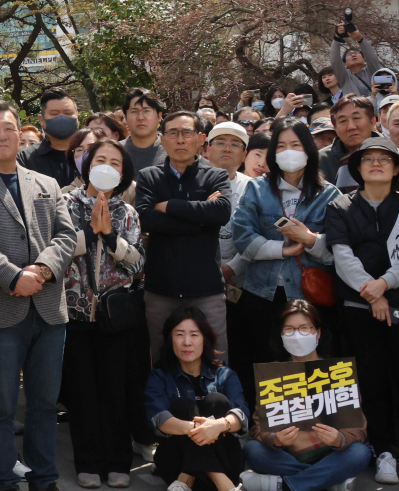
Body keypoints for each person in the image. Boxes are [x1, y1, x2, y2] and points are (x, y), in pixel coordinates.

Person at [0, 100, 78, 491]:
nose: (2, 135)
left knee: (43, 403)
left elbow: (66, 235)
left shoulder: (46, 183)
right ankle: (2, 479)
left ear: (20, 131)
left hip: (49, 309)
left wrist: (41, 270)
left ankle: (45, 478)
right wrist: (12, 277)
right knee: (1, 405)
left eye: (8, 127)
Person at [232, 118, 342, 406]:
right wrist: (282, 250)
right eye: (281, 145)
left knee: (310, 365)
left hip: (310, 296)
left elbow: (338, 251)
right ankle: (269, 431)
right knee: (266, 362)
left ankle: (315, 430)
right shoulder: (256, 189)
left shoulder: (329, 194)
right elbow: (243, 238)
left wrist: (309, 240)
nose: (288, 151)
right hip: (262, 294)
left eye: (295, 144)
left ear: (308, 149)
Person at [61, 138, 145, 489]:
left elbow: (138, 263)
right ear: (87, 165)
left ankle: (118, 462)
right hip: (75, 313)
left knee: (116, 390)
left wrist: (111, 238)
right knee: (82, 392)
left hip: (116, 315)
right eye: (100, 160)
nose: (107, 166)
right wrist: (88, 232)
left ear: (123, 172)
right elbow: (57, 251)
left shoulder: (127, 213)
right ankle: (89, 462)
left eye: (115, 162)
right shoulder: (64, 202)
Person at [326, 136, 399, 485]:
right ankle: (381, 448)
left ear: (396, 168)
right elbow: (342, 256)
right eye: (367, 158)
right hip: (358, 306)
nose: (375, 163)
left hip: (396, 303)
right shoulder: (341, 206)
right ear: (358, 168)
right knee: (368, 378)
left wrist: (384, 284)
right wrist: (372, 294)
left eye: (384, 159)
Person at [241, 301, 373, 491]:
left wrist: (339, 439)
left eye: (305, 328)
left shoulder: (338, 372)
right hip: (288, 456)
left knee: (360, 453)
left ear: (317, 333)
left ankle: (286, 486)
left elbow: (359, 429)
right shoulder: (273, 375)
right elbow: (258, 429)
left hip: (333, 454)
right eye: (289, 330)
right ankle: (327, 481)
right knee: (253, 450)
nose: (297, 335)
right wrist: (275, 439)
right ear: (281, 335)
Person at [136, 110, 232, 363]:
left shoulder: (216, 175)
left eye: (187, 133)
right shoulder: (149, 177)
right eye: (173, 133)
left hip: (206, 288)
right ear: (162, 139)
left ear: (201, 139)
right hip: (161, 288)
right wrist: (201, 218)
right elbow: (145, 219)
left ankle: (218, 403)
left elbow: (221, 213)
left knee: (216, 356)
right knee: (161, 357)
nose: (180, 140)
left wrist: (169, 206)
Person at [144, 308, 248, 491]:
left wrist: (219, 426)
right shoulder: (160, 376)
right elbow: (157, 418)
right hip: (176, 463)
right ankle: (225, 486)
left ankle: (185, 482)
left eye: (194, 335)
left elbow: (242, 415)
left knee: (216, 401)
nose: (186, 342)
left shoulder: (224, 375)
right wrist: (200, 429)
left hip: (225, 460)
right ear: (170, 339)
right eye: (179, 335)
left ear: (205, 339)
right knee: (183, 406)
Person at [205, 123, 258, 404]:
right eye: (220, 142)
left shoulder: (254, 188)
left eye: (235, 144)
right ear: (207, 148)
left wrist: (231, 268)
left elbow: (257, 236)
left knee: (241, 349)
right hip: (199, 282)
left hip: (242, 283)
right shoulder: (192, 181)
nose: (227, 148)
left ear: (245, 153)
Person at [19, 88, 82, 187]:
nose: (62, 118)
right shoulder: (25, 158)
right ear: (42, 120)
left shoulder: (92, 153)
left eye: (68, 113)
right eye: (54, 114)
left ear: (77, 116)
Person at [320, 95, 377, 182]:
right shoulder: (322, 160)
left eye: (356, 118)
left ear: (372, 122)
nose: (351, 127)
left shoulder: (392, 154)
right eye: (343, 121)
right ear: (335, 127)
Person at [330, 22, 384, 99]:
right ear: (345, 64)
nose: (353, 55)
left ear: (364, 58)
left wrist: (360, 39)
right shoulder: (344, 77)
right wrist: (337, 37)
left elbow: (372, 57)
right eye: (349, 54)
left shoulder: (372, 71)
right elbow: (334, 61)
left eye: (356, 53)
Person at [124, 88, 169, 173]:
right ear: (125, 117)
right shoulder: (115, 152)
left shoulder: (172, 150)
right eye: (134, 112)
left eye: (147, 111)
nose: (141, 117)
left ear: (159, 116)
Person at [61, 127, 97, 193]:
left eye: (92, 147)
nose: (86, 154)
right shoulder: (65, 193)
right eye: (80, 150)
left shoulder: (119, 191)